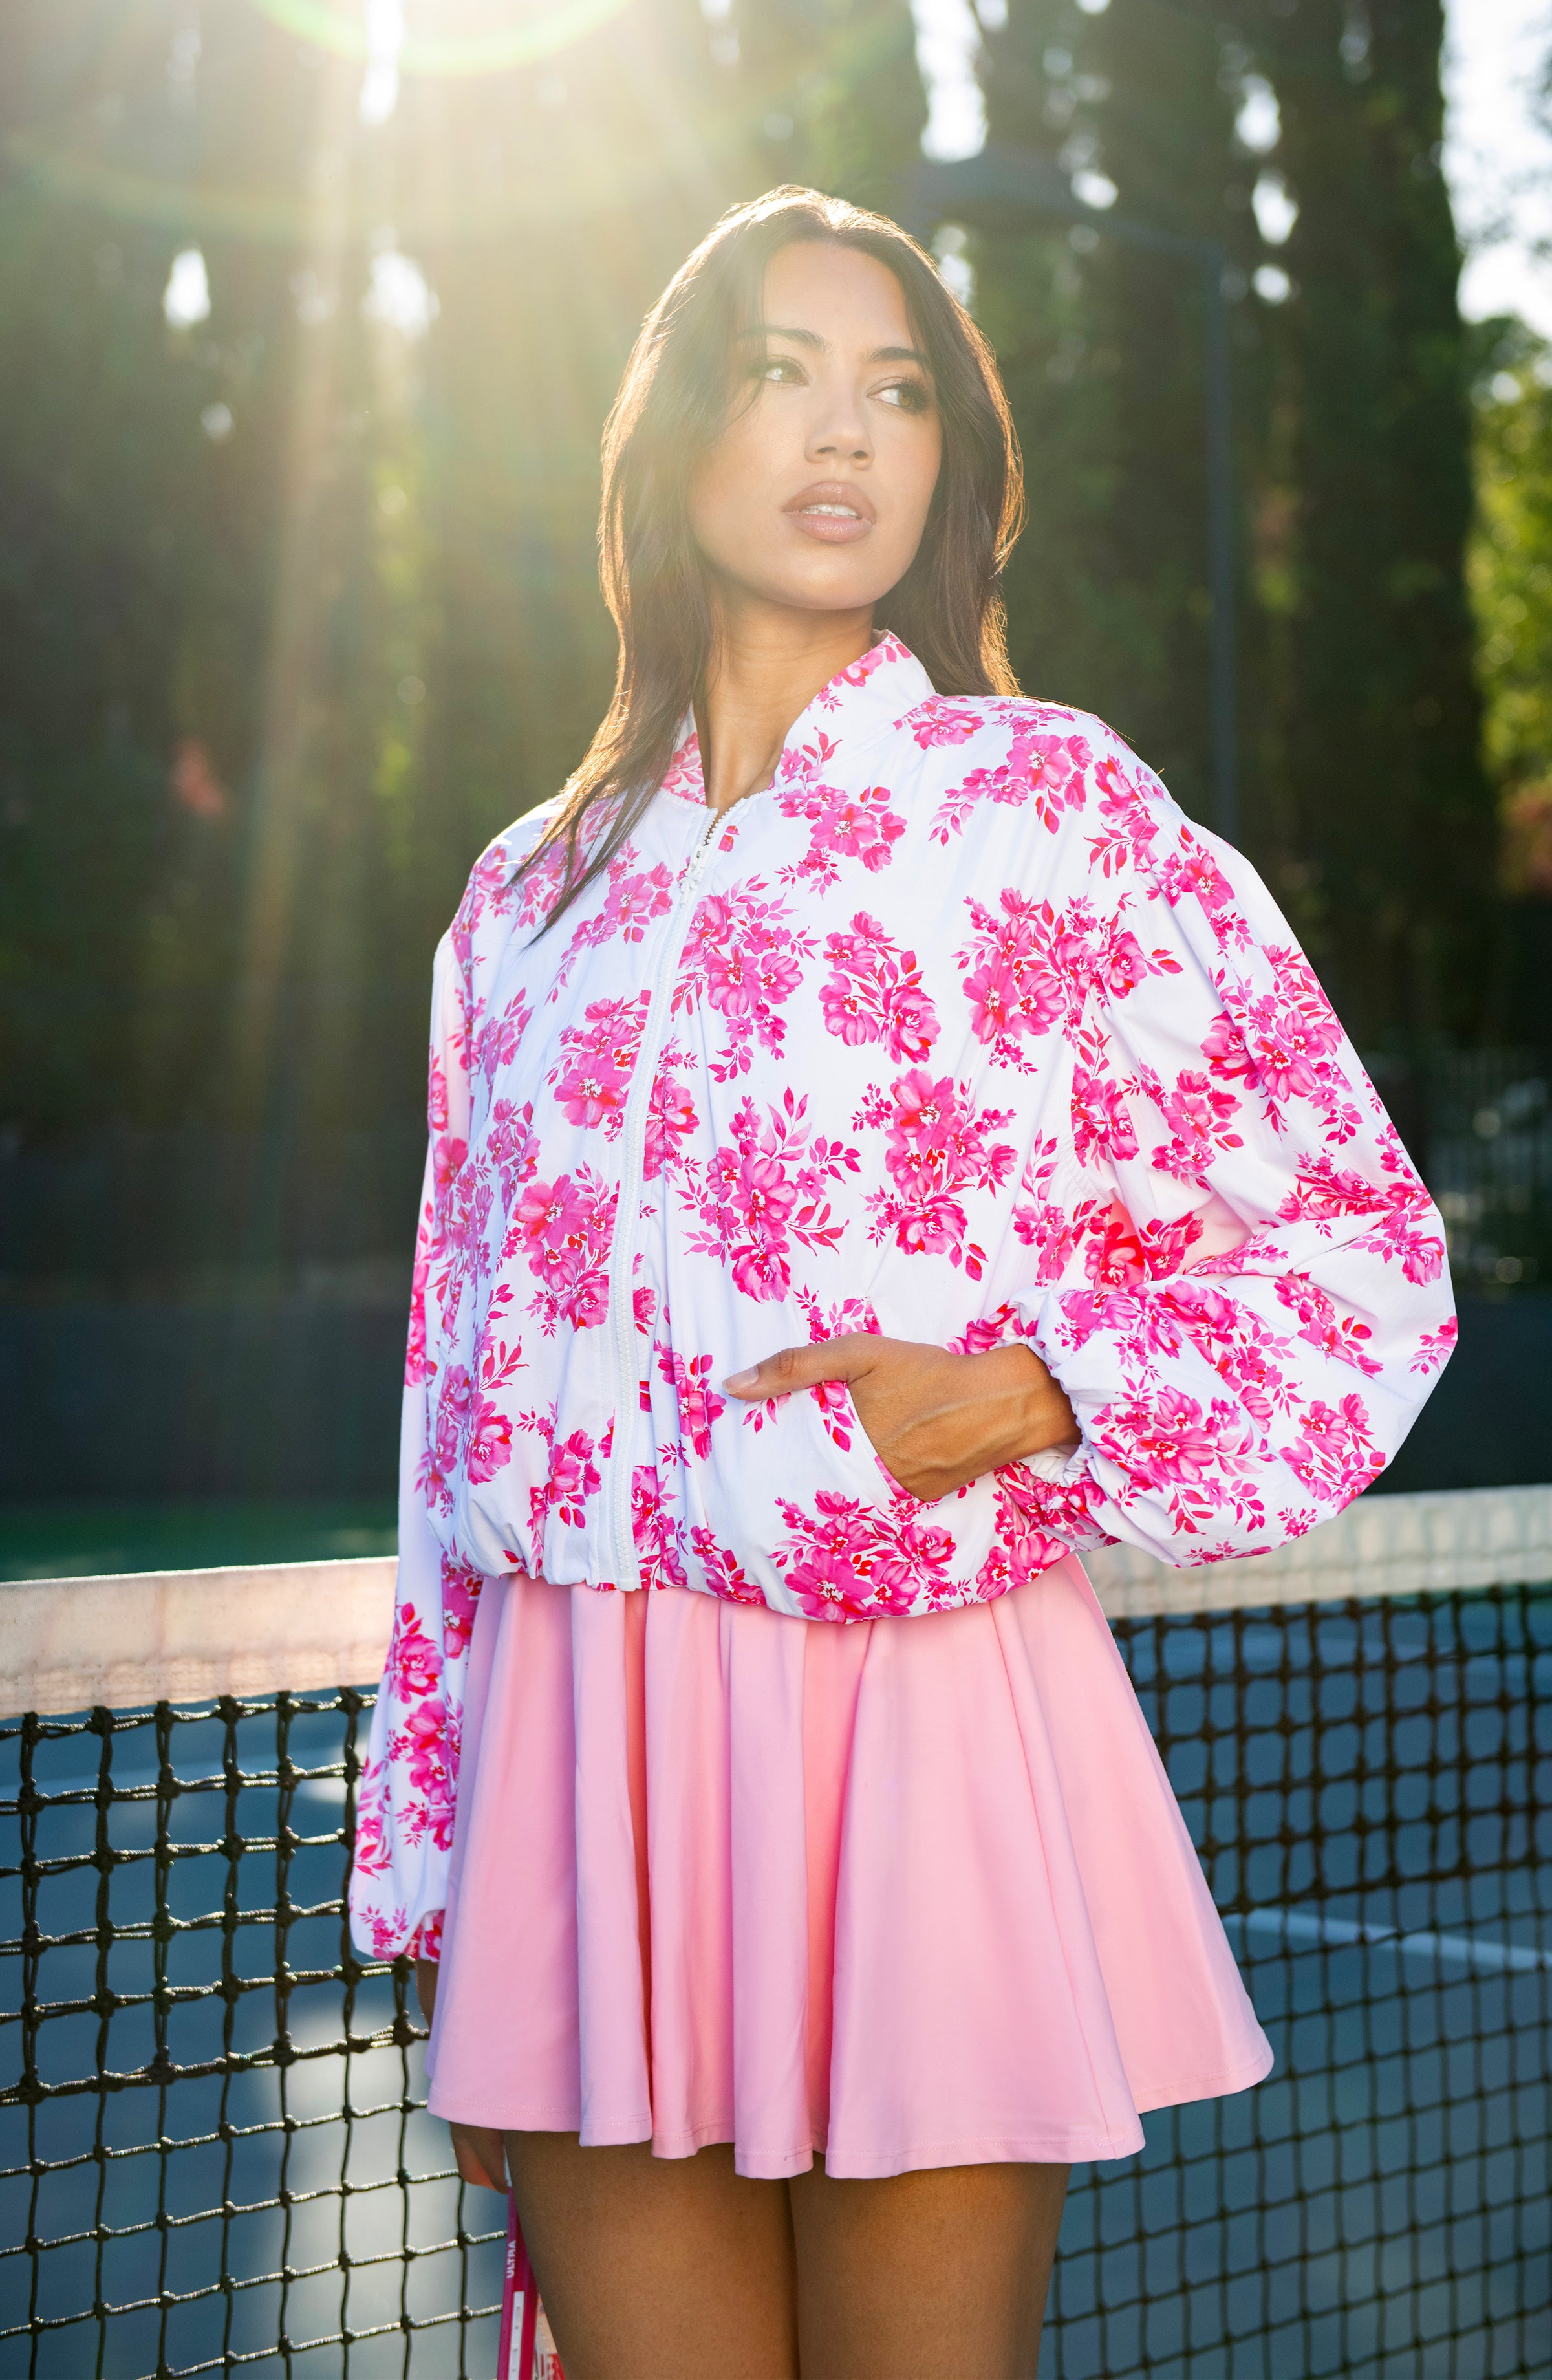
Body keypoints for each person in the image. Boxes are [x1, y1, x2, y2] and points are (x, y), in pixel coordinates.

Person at [349, 186, 1454, 2379]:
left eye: (900, 390)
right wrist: (433, 1877)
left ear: (953, 464)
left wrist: (1041, 1389)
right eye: (779, 371)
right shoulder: (525, 896)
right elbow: (442, 1408)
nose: (846, 430)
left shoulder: (1042, 806)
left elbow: (1362, 1242)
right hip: (580, 1761)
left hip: (920, 1722)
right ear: (669, 437)